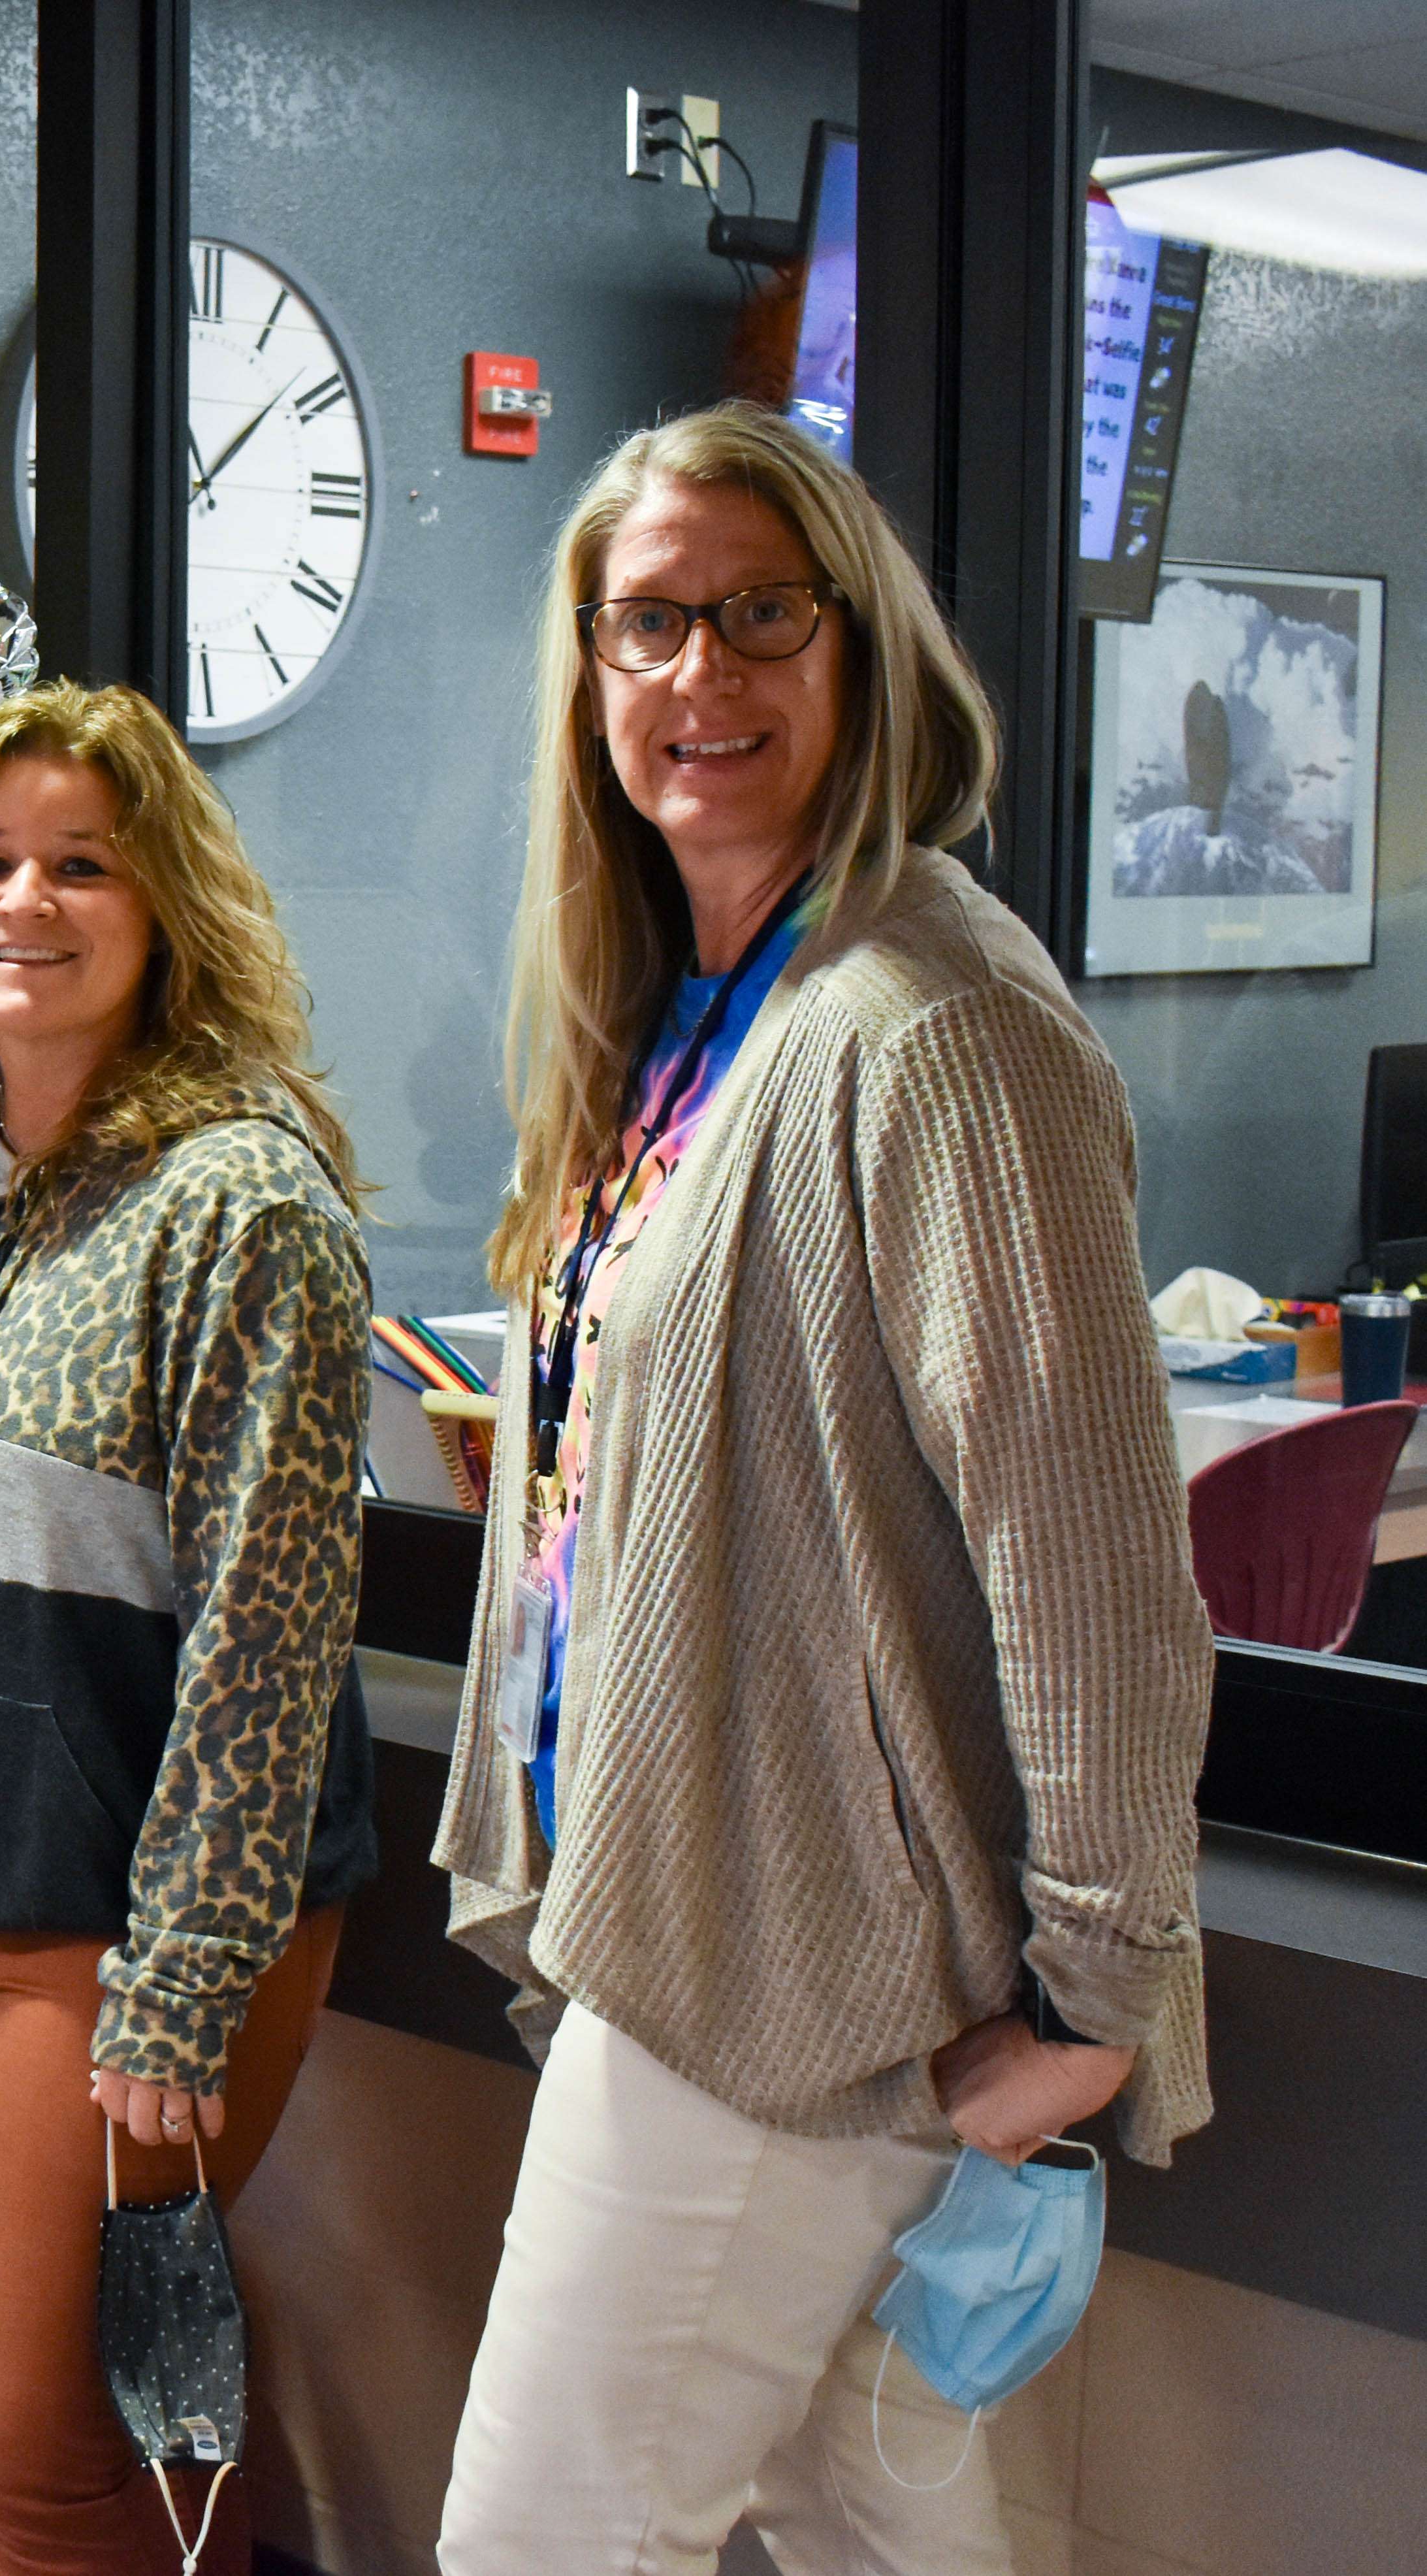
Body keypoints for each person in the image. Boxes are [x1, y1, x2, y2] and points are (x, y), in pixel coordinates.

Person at [430, 402, 1212, 2573]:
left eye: (761, 616)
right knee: (858, 2533)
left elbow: (1088, 1557)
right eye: (648, 625)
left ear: (861, 652)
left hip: (801, 1981)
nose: (702, 677)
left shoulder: (928, 1019)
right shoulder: (687, 1014)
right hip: (693, 1909)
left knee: (537, 2545)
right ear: (587, 682)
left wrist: (1093, 1991)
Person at [0, 681, 377, 2576]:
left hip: (126, 1919)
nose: (25, 902)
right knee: (116, 2408)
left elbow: (268, 1635)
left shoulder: (238, 1203)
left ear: (164, 907)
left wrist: (185, 1973)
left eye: (81, 867)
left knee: (24, 2446)